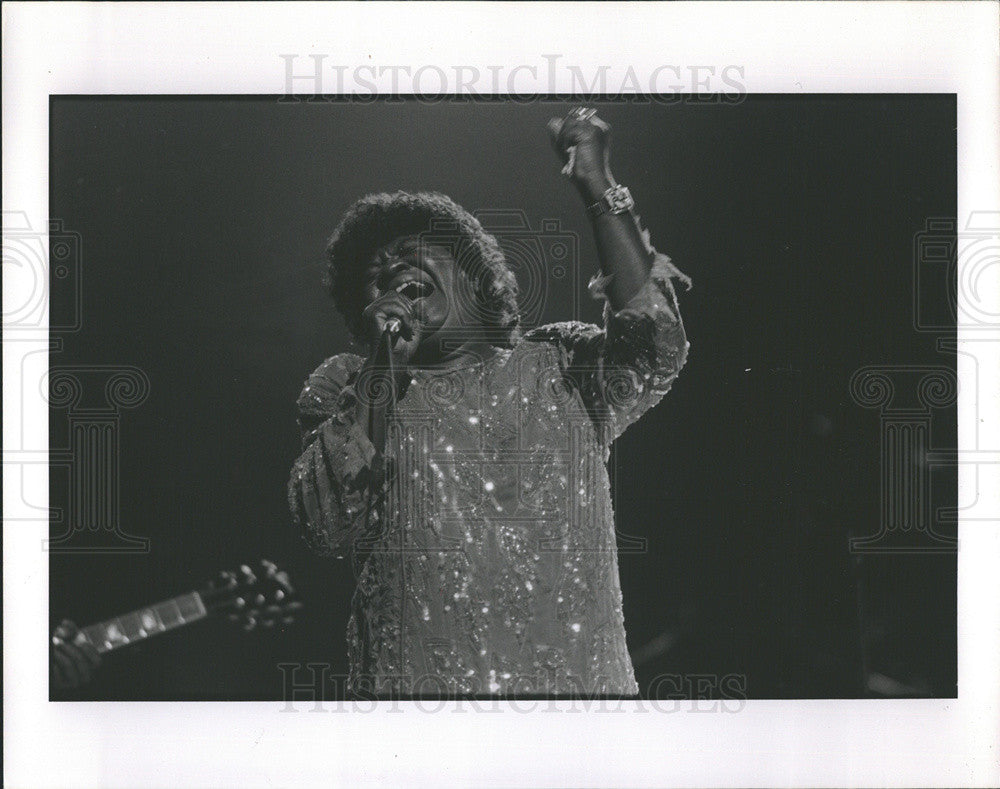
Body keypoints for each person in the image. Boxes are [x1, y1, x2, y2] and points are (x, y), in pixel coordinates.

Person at [288, 108, 691, 697]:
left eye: (409, 249)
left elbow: (655, 345)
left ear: (475, 276)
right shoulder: (349, 383)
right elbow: (327, 523)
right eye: (371, 276)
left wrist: (597, 184)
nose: (388, 267)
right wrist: (383, 369)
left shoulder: (561, 364)